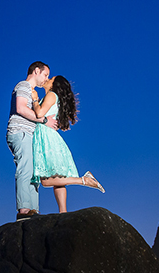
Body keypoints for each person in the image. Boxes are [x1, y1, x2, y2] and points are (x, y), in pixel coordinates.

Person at [30, 75, 105, 213]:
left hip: (46, 138)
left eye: (50, 78)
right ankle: (63, 212)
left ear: (55, 85)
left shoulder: (52, 95)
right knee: (57, 179)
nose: (47, 80)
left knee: (46, 181)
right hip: (50, 137)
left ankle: (83, 180)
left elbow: (39, 113)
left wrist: (35, 98)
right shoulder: (54, 97)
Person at [6, 61, 58, 221]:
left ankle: (34, 211)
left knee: (34, 174)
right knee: (25, 168)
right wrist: (43, 121)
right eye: (45, 74)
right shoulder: (23, 86)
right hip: (21, 132)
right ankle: (24, 210)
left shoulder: (34, 93)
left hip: (30, 135)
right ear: (36, 71)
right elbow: (21, 108)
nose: (46, 79)